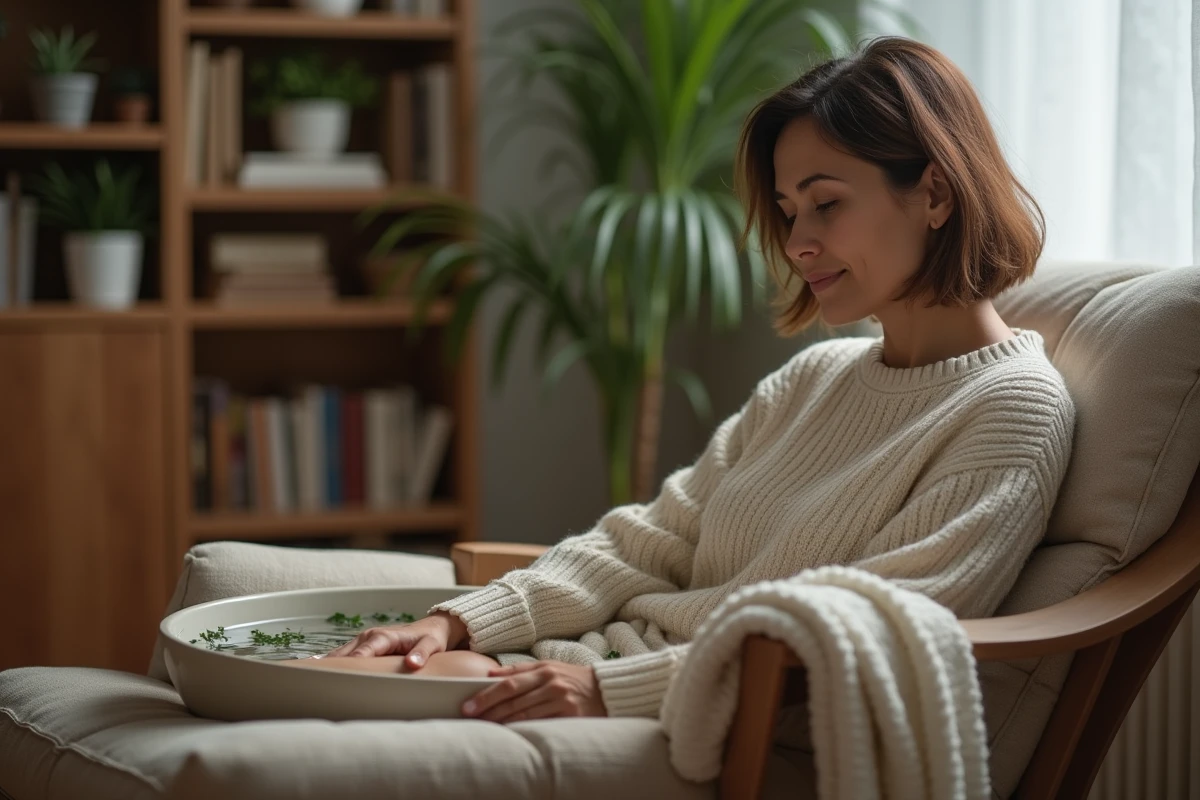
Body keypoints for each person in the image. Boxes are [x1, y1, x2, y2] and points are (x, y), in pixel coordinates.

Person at [304, 34, 1075, 768]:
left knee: (345, 707)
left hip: (697, 720)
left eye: (825, 203)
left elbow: (873, 630)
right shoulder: (811, 380)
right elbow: (648, 542)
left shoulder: (1011, 409)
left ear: (935, 193)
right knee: (348, 670)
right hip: (591, 668)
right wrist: (455, 620)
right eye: (787, 210)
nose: (797, 241)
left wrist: (609, 690)